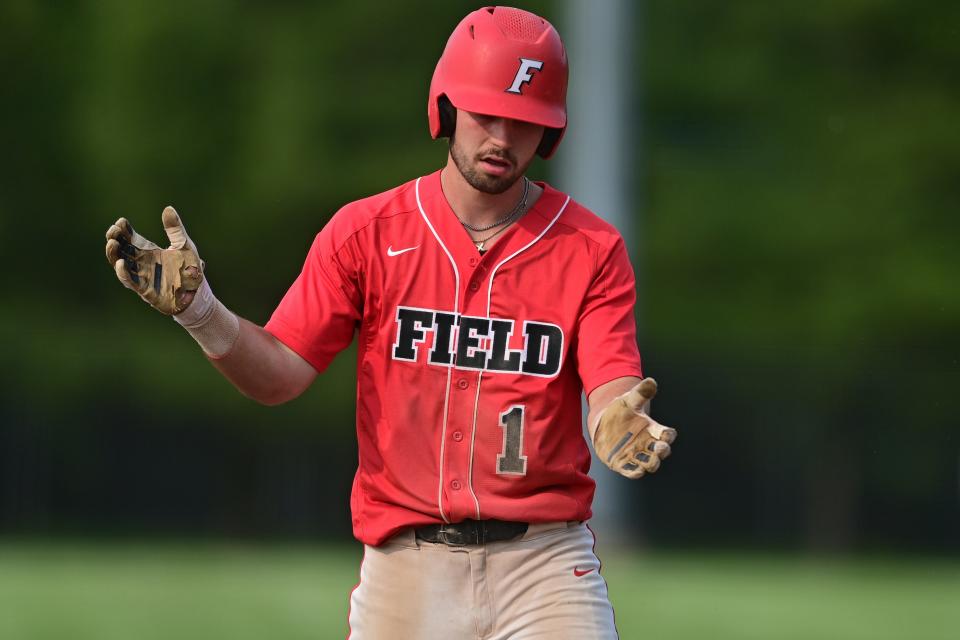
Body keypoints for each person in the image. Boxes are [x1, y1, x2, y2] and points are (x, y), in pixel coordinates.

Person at [104, 6, 677, 639]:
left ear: (549, 133)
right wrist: (199, 311)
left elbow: (612, 387)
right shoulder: (367, 233)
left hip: (545, 564)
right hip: (406, 564)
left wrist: (617, 419)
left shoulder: (590, 246)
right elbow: (280, 376)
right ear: (446, 107)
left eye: (524, 123)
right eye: (487, 115)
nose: (501, 139)